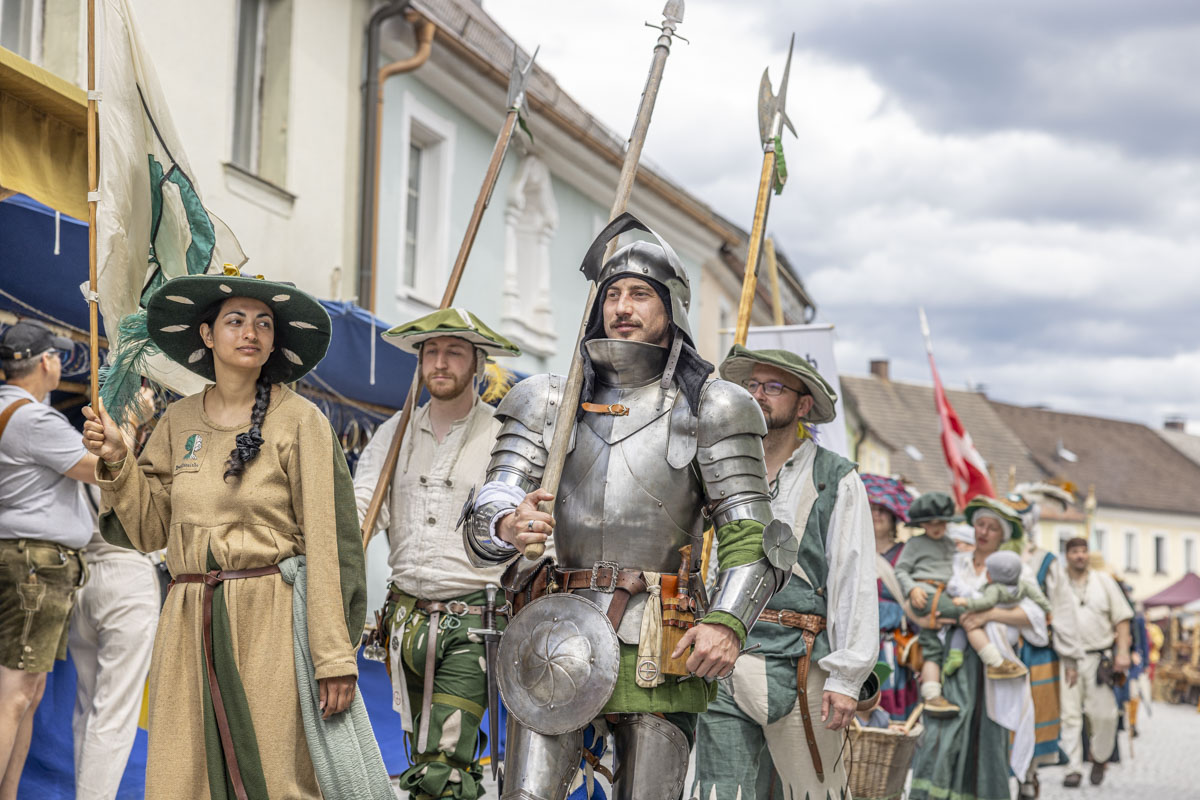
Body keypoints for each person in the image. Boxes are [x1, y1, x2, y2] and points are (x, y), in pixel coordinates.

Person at [462, 214, 789, 800]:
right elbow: (493, 502)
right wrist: (508, 523)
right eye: (612, 294)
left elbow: (754, 537)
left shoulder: (713, 407)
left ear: (671, 307)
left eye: (640, 293)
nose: (622, 306)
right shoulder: (547, 400)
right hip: (555, 628)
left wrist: (727, 621)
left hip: (661, 636)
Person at [82, 272, 382, 799]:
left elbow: (330, 544)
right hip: (187, 621)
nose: (251, 332)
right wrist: (117, 459)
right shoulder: (177, 421)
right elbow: (149, 528)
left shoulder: (301, 422)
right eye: (236, 321)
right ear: (207, 334)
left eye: (263, 324)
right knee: (184, 776)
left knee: (275, 776)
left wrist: (334, 656)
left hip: (270, 622)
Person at [692, 346, 878, 799]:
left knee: (813, 793)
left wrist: (846, 678)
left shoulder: (835, 478)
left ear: (803, 405)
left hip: (804, 664)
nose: (758, 394)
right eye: (752, 385)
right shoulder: (718, 469)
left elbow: (853, 581)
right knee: (721, 792)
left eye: (773, 387)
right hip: (724, 658)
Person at [354, 308, 520, 800]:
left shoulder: (504, 437)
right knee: (420, 751)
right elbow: (362, 510)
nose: (440, 362)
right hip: (403, 620)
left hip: (474, 621)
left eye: (454, 352)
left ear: (478, 363)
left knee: (443, 762)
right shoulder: (394, 432)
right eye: (431, 352)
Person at [0, 320, 96, 800]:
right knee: (16, 694)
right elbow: (102, 470)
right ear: (46, 362)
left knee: (26, 693)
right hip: (35, 566)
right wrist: (124, 433)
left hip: (23, 560)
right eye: (56, 355)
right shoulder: (34, 419)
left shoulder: (11, 412)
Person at [910, 496, 1050, 800]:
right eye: (980, 525)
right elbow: (933, 598)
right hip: (953, 659)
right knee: (945, 727)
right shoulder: (956, 562)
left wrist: (989, 614)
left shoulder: (1015, 569)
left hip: (993, 664)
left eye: (992, 528)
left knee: (987, 733)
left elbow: (1036, 617)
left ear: (1003, 535)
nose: (983, 532)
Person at [1058, 537, 1133, 788]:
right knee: (1069, 716)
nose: (1080, 555)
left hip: (1099, 658)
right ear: (1067, 555)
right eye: (1074, 551)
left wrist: (1123, 652)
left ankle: (1100, 757)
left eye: (1083, 551)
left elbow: (1122, 618)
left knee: (1105, 715)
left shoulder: (1104, 582)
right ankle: (1073, 768)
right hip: (1067, 657)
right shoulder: (1058, 583)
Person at [894, 490, 961, 716]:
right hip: (925, 594)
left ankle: (932, 695)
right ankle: (990, 656)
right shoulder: (915, 543)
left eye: (941, 522)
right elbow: (901, 570)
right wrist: (912, 588)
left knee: (931, 645)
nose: (936, 527)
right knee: (967, 613)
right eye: (930, 522)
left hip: (945, 594)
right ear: (922, 523)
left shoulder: (950, 544)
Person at [863, 473, 919, 721]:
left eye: (882, 510)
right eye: (872, 509)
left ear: (893, 516)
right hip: (861, 645)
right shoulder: (855, 551)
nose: (876, 514)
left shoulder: (906, 554)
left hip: (894, 646)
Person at [951, 550, 1052, 677]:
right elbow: (1039, 598)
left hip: (995, 635)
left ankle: (995, 662)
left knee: (971, 628)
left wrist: (966, 602)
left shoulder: (994, 589)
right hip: (1012, 633)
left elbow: (986, 602)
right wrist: (1048, 610)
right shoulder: (1023, 586)